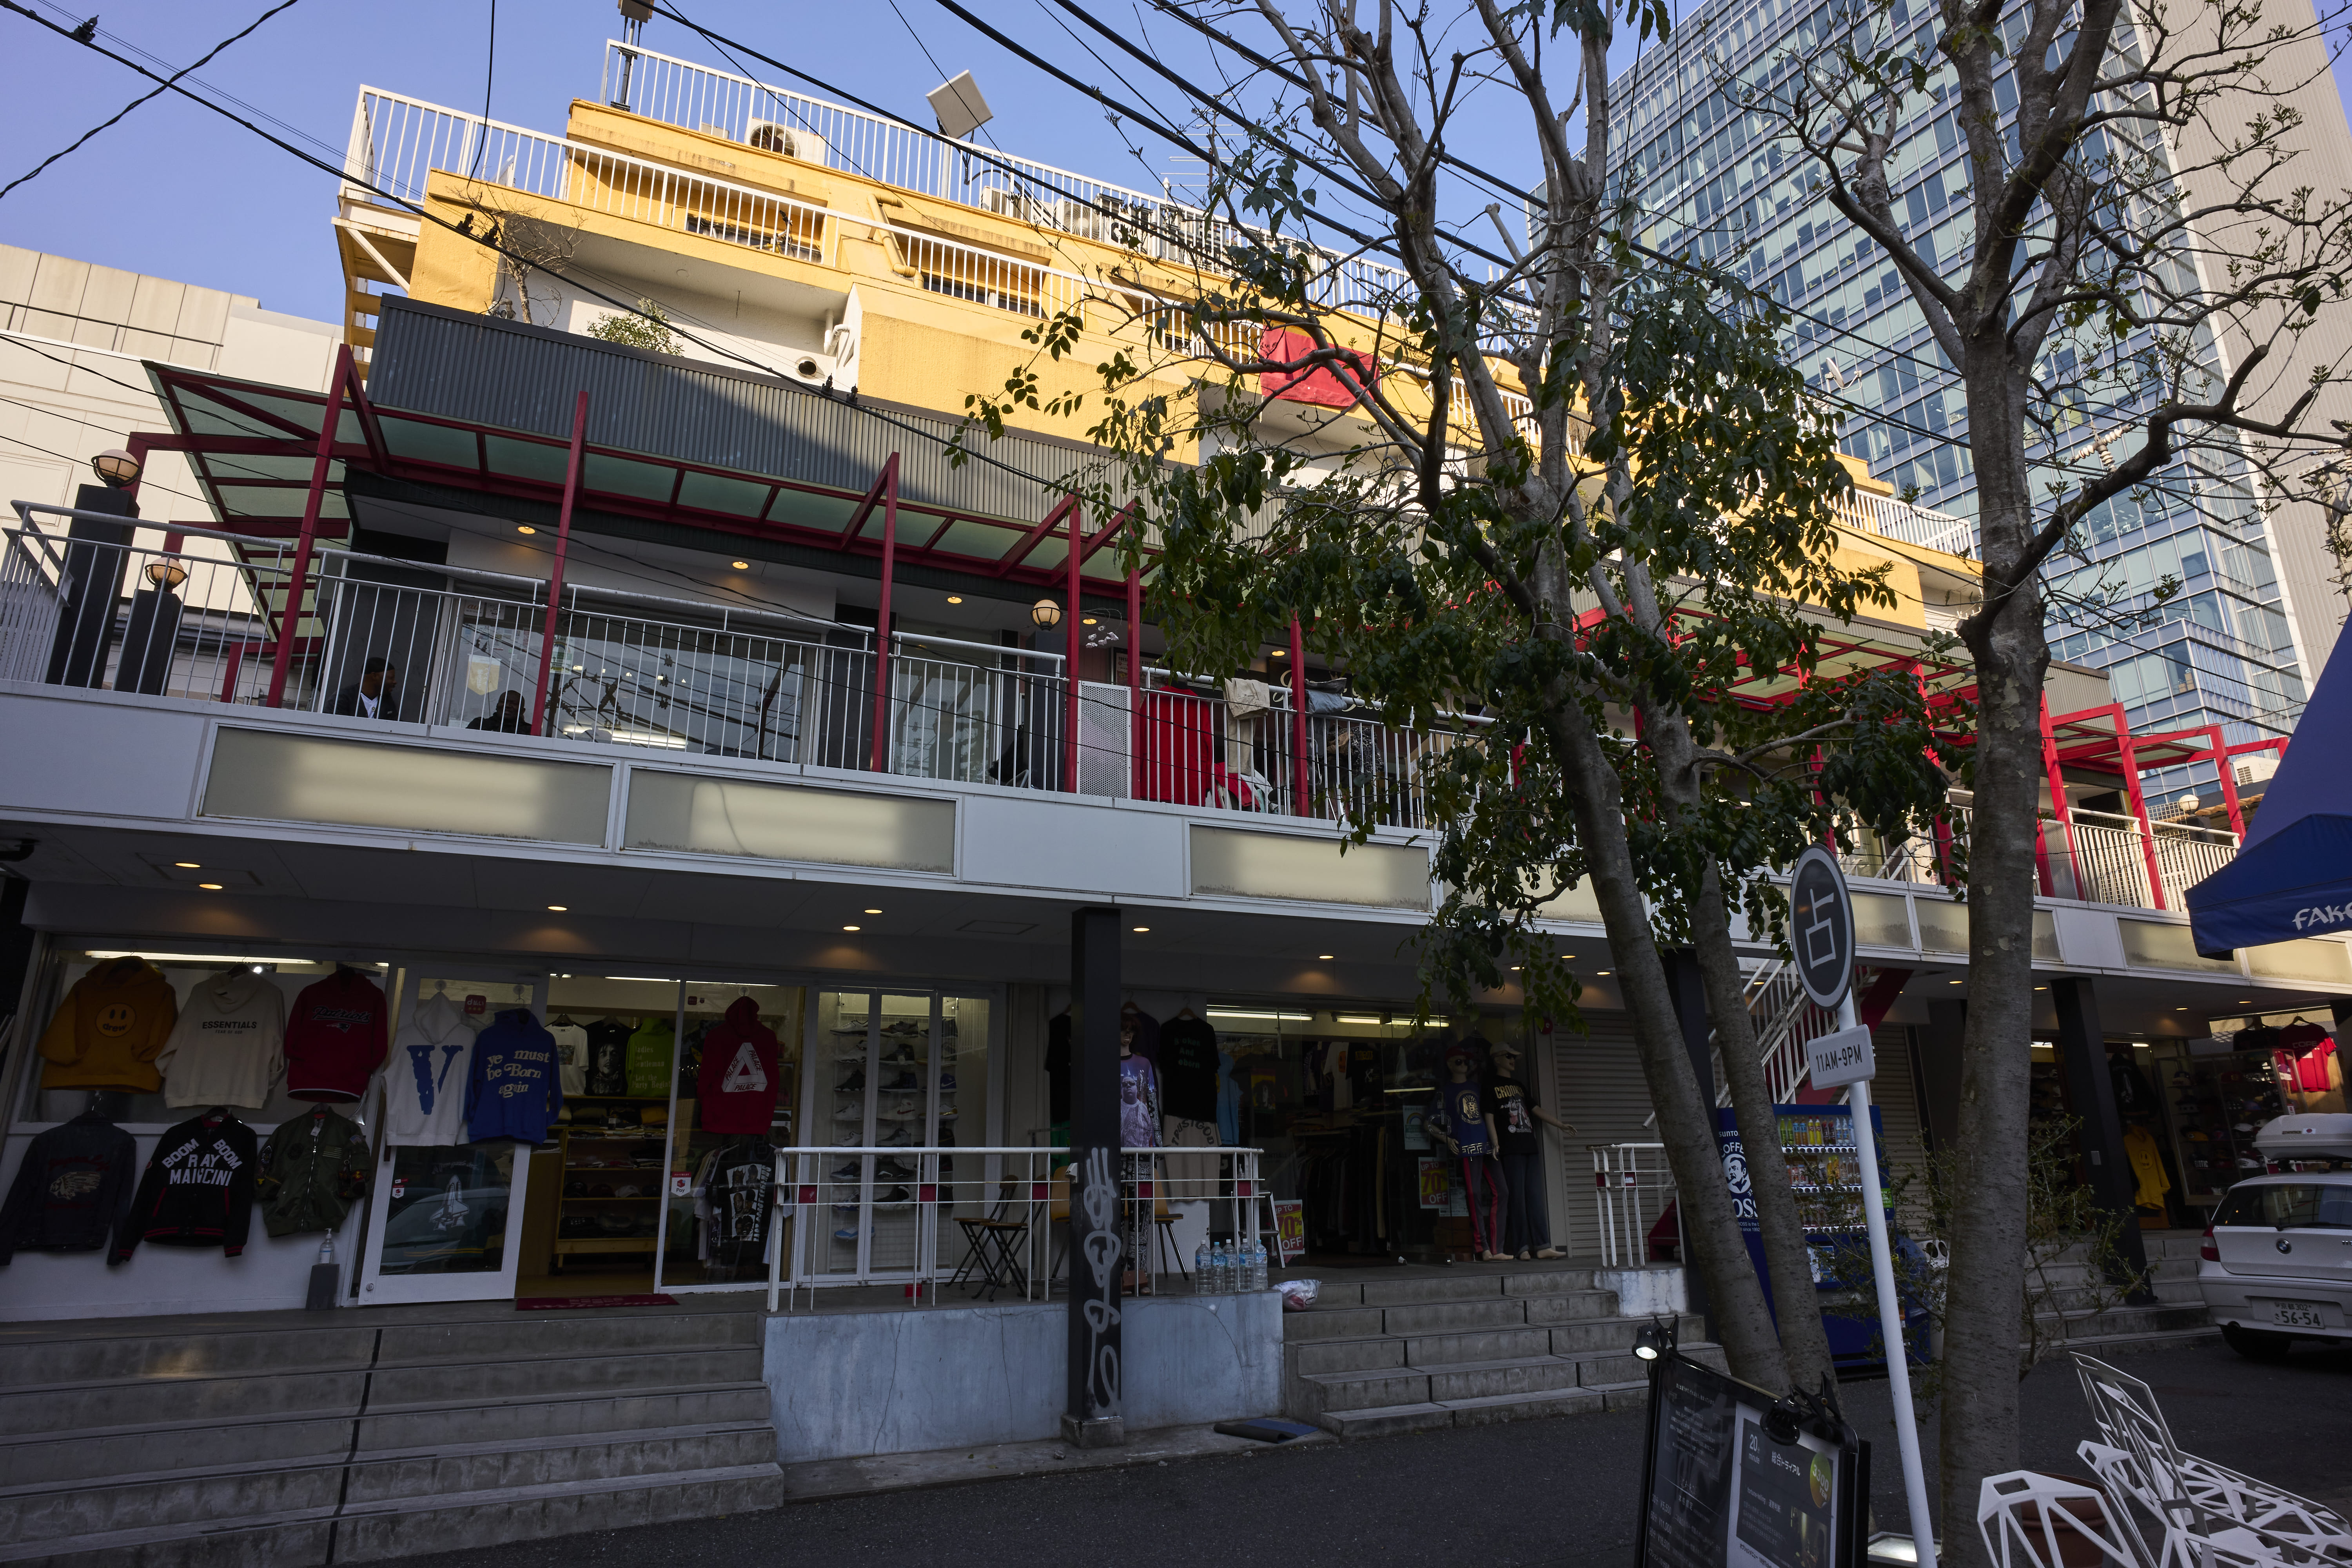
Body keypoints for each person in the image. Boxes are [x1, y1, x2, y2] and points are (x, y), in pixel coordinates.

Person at [1485, 1039, 1572, 1261]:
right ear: (1496, 1059)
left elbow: (1535, 1109)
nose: (1513, 1060)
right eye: (1508, 1056)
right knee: (1517, 1198)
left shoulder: (1520, 1086)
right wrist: (1495, 1142)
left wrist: (1559, 1124)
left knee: (1534, 1196)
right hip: (1510, 1148)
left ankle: (1543, 1246)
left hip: (1529, 1146)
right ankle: (1522, 1247)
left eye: (1514, 1057)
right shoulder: (1489, 1085)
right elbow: (1489, 1116)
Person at [1429, 1045, 1508, 1261]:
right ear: (1449, 1064)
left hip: (1486, 1145)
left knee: (1502, 1191)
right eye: (1458, 1062)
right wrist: (1447, 1139)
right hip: (1467, 1147)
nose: (1463, 1065)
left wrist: (1495, 1140)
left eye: (1466, 1062)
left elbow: (1488, 1114)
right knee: (1474, 1196)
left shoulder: (1477, 1087)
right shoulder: (1444, 1092)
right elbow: (1429, 1124)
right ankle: (1483, 1248)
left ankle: (1497, 1248)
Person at [330, 657, 399, 720]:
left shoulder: (386, 700)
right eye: (391, 678)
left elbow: (396, 727)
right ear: (374, 676)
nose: (395, 682)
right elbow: (332, 725)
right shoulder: (343, 698)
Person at [467, 690, 532, 733]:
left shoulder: (529, 731)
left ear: (522, 711)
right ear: (497, 706)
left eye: (514, 704)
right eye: (503, 702)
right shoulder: (480, 724)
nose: (508, 706)